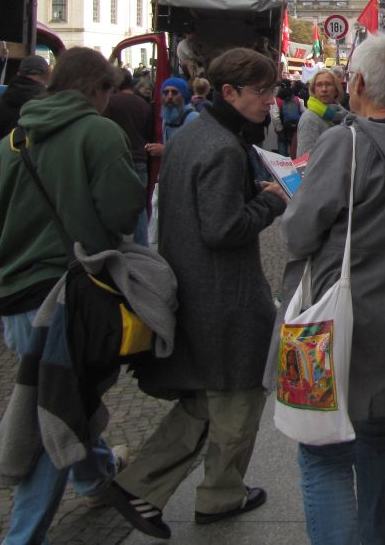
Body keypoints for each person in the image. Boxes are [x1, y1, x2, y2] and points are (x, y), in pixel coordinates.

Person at [102, 49, 288, 539]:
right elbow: (224, 227)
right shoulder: (224, 147)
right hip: (224, 293)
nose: (270, 101)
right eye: (261, 92)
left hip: (195, 283)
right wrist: (271, 202)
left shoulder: (193, 134)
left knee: (210, 399)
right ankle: (218, 494)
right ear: (229, 93)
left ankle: (142, 485)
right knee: (238, 395)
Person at [279, 31, 385, 545]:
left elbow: (298, 233)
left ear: (356, 83)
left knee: (323, 451)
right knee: (378, 431)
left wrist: (292, 194)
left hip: (335, 315)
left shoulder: (343, 143)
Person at [0, 48, 144, 545]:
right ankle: (22, 537)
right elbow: (122, 212)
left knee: (56, 395)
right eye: (109, 91)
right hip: (68, 297)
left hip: (13, 295)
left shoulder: (13, 140)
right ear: (97, 88)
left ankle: (94, 477)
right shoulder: (99, 132)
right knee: (56, 416)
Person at [104, 68, 154, 245]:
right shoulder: (143, 104)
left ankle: (115, 243)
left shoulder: (110, 102)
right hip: (140, 158)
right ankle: (143, 245)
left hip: (117, 157)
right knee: (139, 206)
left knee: (114, 202)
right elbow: (148, 132)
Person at [0, 54, 50, 159]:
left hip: (5, 171)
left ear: (19, 74)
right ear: (47, 75)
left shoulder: (1, 105)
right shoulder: (49, 106)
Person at [295, 68, 347, 157]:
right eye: (319, 85)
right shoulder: (309, 118)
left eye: (328, 84)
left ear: (336, 90)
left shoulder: (345, 116)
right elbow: (304, 159)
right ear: (314, 90)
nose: (324, 89)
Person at [144, 77, 198, 158]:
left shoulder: (193, 118)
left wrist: (165, 151)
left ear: (184, 96)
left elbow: (197, 151)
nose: (169, 96)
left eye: (174, 92)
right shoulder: (166, 117)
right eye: (166, 92)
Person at [275, 79, 304, 157]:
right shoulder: (297, 99)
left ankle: (283, 165)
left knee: (282, 147)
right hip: (295, 129)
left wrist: (279, 130)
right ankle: (294, 165)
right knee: (295, 148)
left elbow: (275, 117)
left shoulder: (277, 100)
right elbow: (304, 112)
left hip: (283, 128)